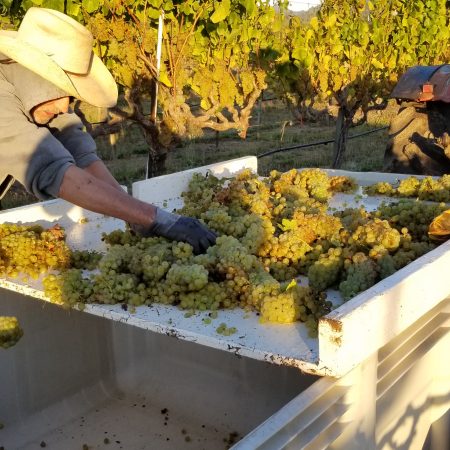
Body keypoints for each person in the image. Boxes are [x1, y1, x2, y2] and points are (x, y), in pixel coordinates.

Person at [0, 7, 216, 254]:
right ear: (26, 66)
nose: (64, 106)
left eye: (71, 96)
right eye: (59, 89)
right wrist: (159, 219)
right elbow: (54, 172)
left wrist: (136, 216)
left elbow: (81, 155)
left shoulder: (35, 96)